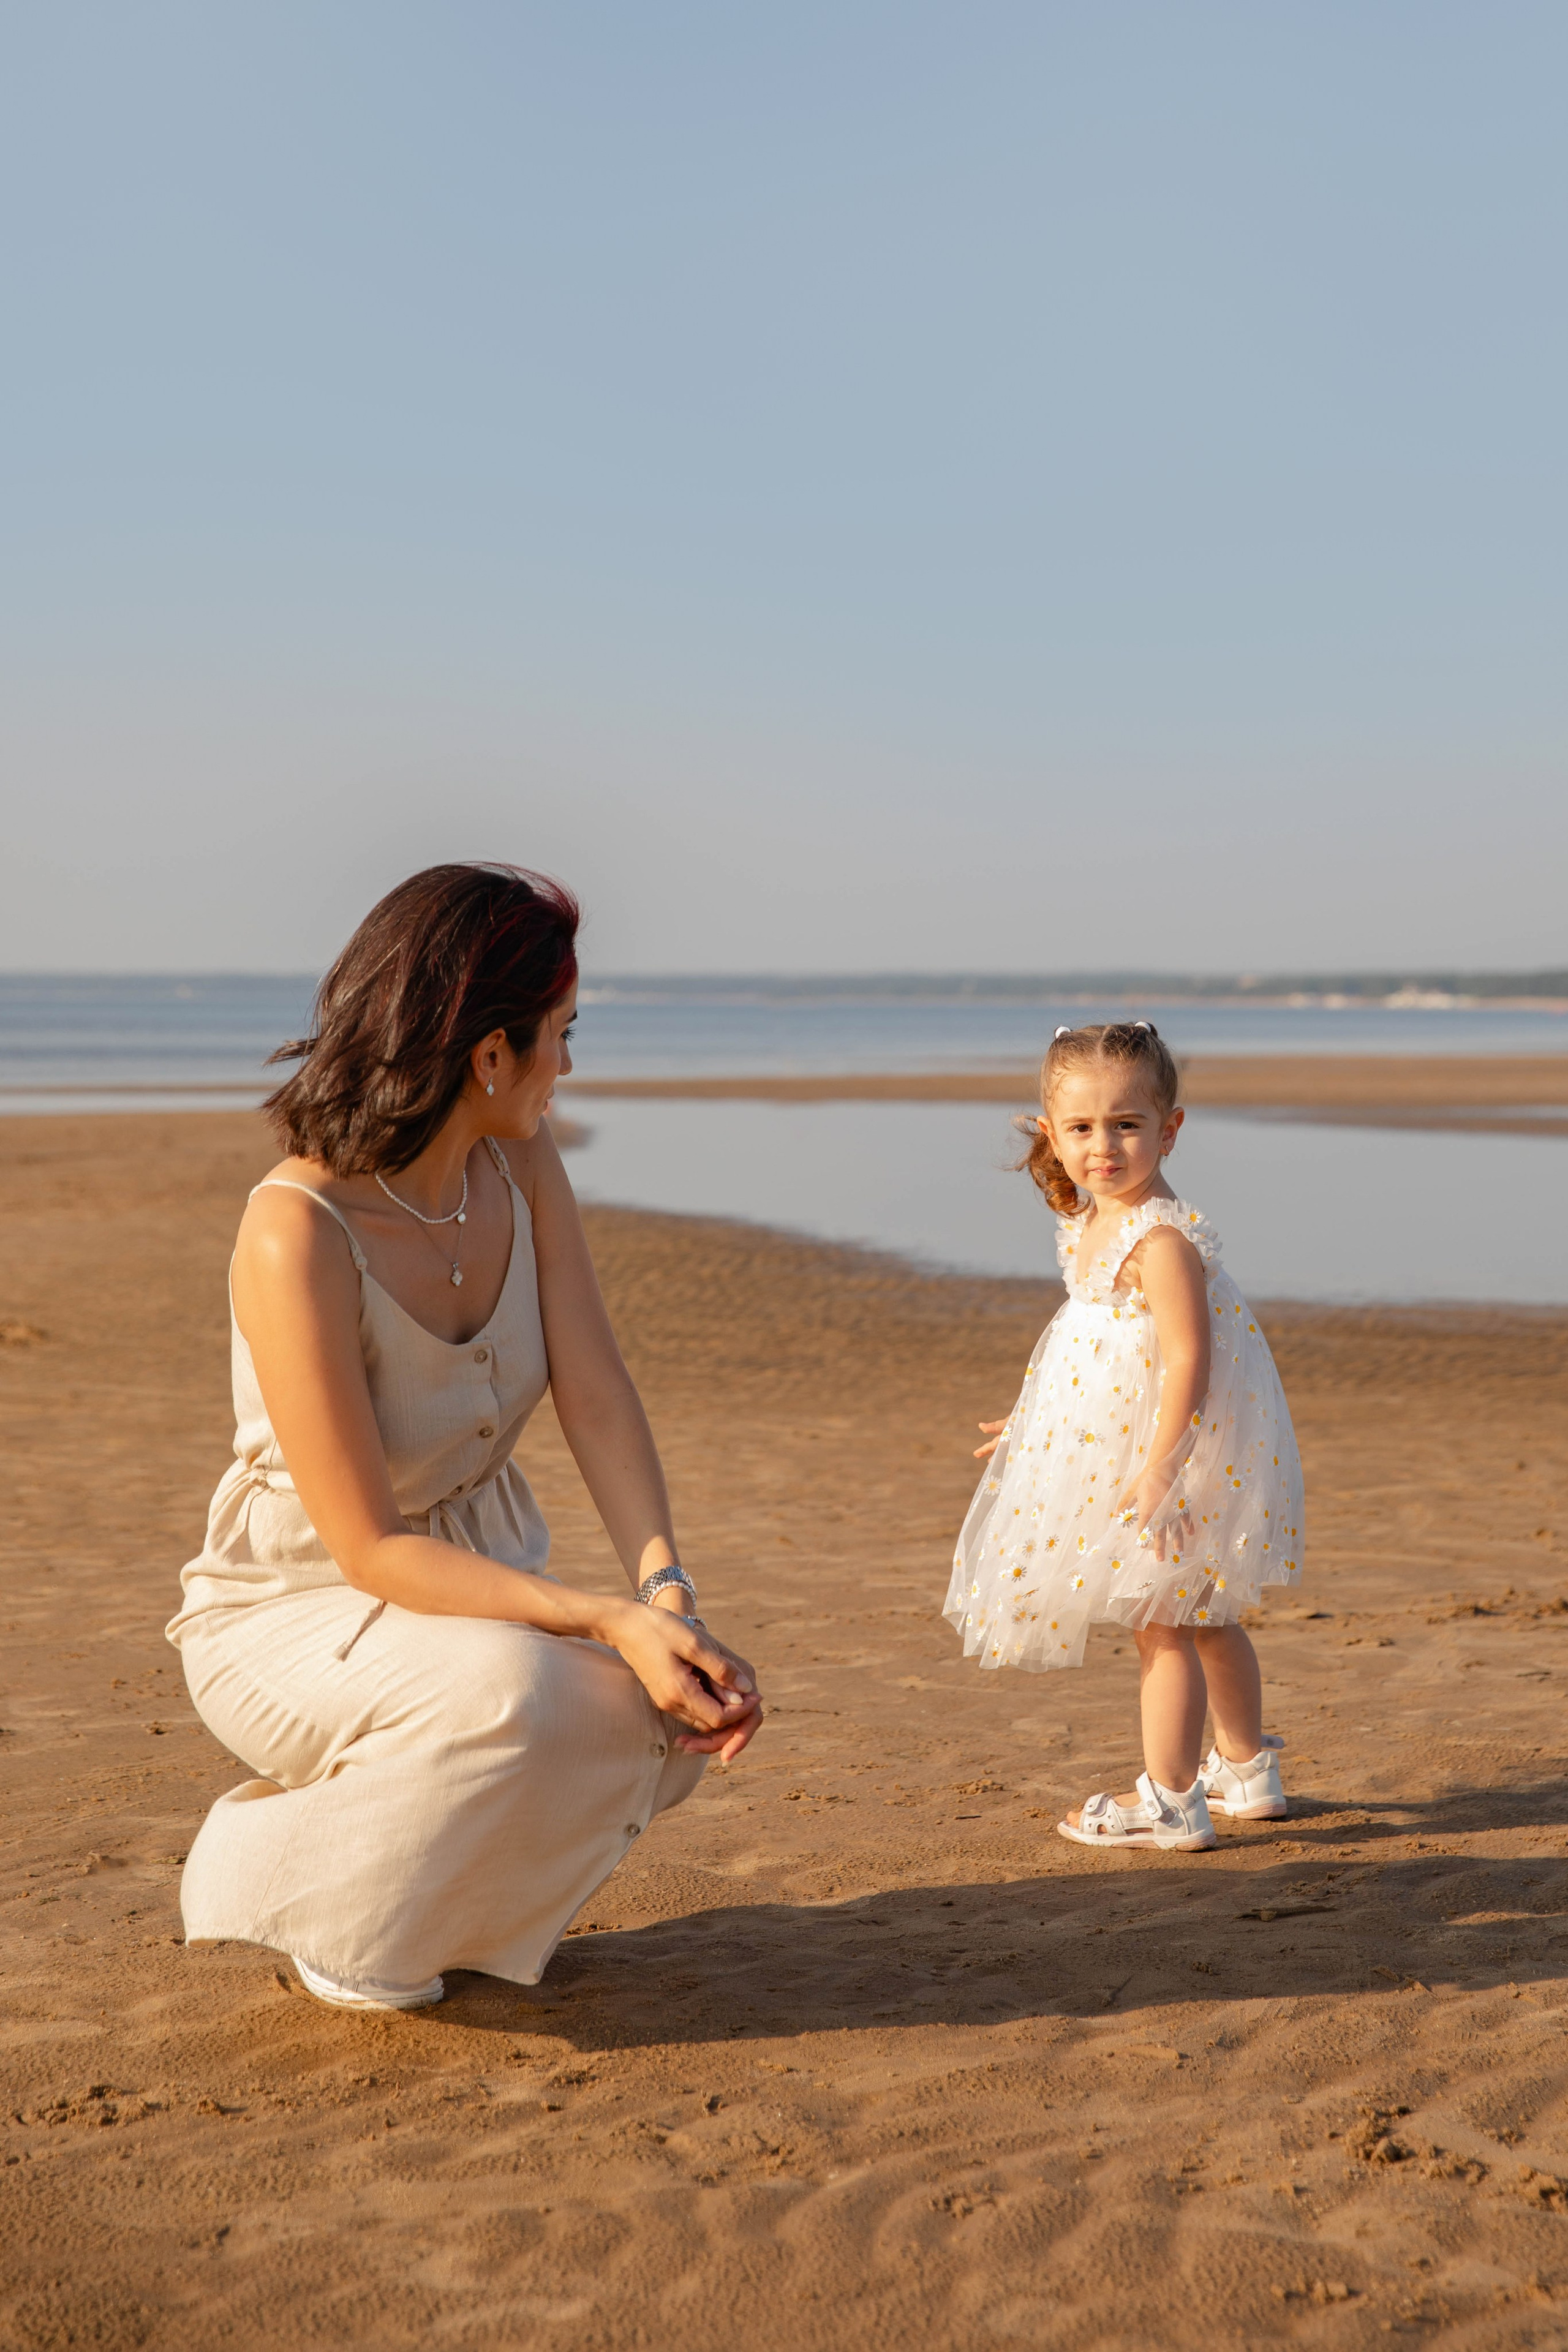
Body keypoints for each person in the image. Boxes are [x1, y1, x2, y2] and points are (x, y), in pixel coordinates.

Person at [167, 862, 762, 2009]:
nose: (571, 1065)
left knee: (662, 1711)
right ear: (490, 1055)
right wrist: (607, 1617)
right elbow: (370, 1553)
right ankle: (283, 1885)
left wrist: (670, 1599)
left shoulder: (522, 1165)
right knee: (517, 1693)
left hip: (470, 1591)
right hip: (291, 1609)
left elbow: (595, 1390)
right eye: (560, 1034)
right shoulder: (299, 1231)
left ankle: (438, 1908)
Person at [943, 1021, 1302, 1850]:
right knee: (1202, 1610)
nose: (1103, 1146)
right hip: (1123, 1434)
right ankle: (1247, 1771)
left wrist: (1162, 1469)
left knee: (1162, 1618)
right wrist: (1036, 1423)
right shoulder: (1090, 1217)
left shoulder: (1162, 1240)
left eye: (1126, 1125)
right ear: (1051, 1132)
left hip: (1173, 1447)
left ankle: (1172, 1802)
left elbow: (1189, 1360)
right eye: (1081, 1128)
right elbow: (1091, 1343)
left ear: (1169, 1128)